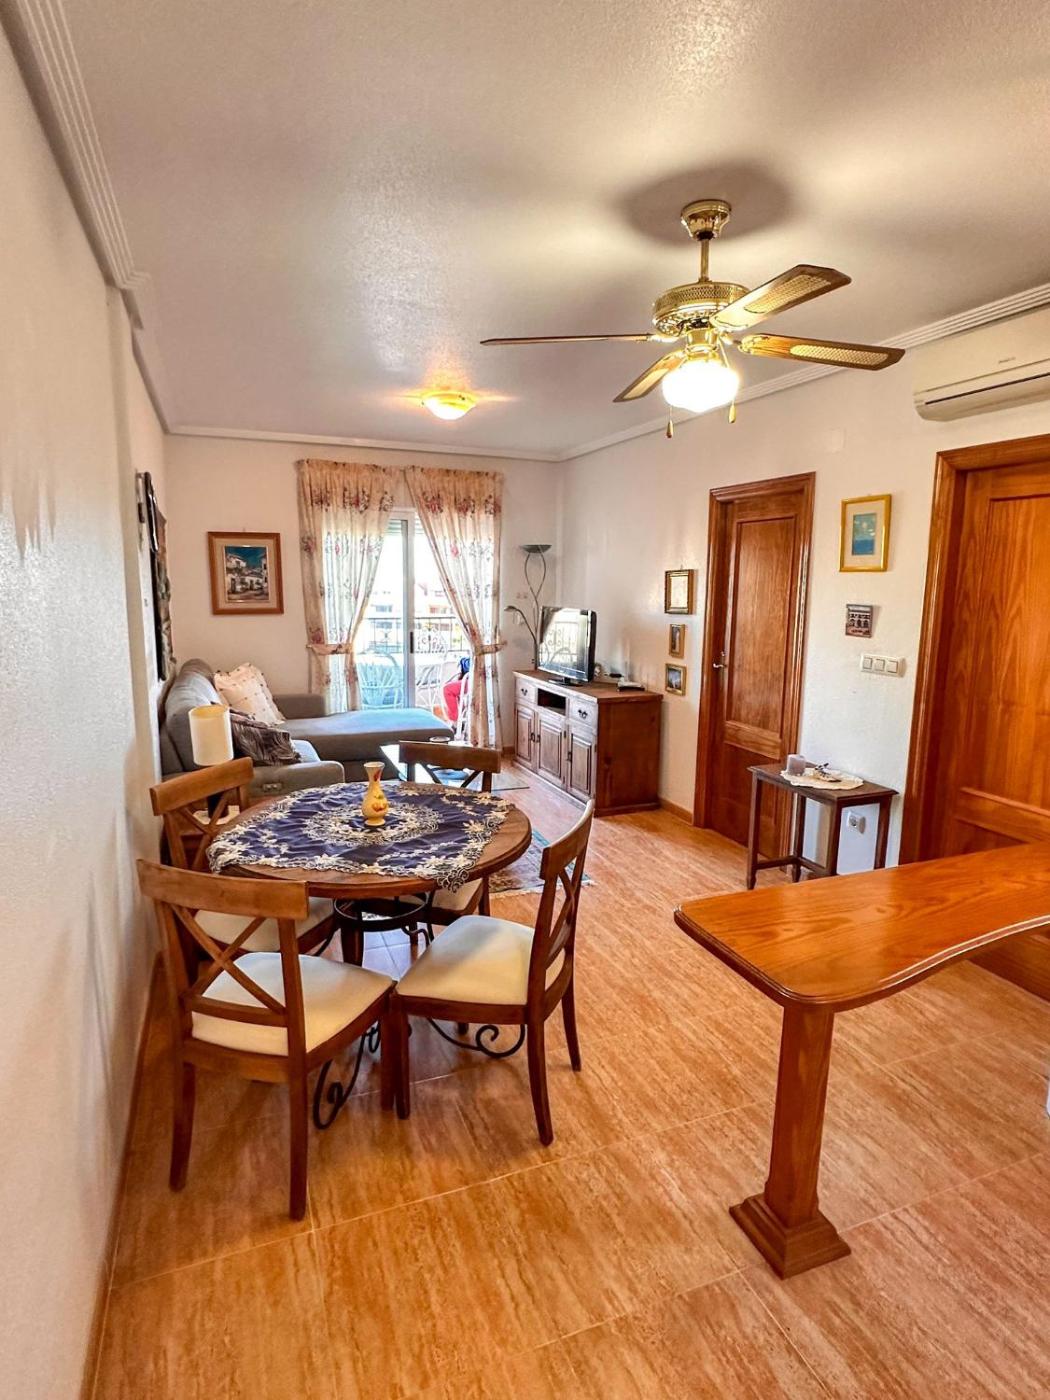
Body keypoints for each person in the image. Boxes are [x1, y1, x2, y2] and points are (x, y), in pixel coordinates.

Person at [442, 655, 470, 726]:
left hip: (473, 681)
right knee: (450, 686)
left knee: (447, 689)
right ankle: (460, 714)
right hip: (470, 679)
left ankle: (455, 720)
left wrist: (462, 661)